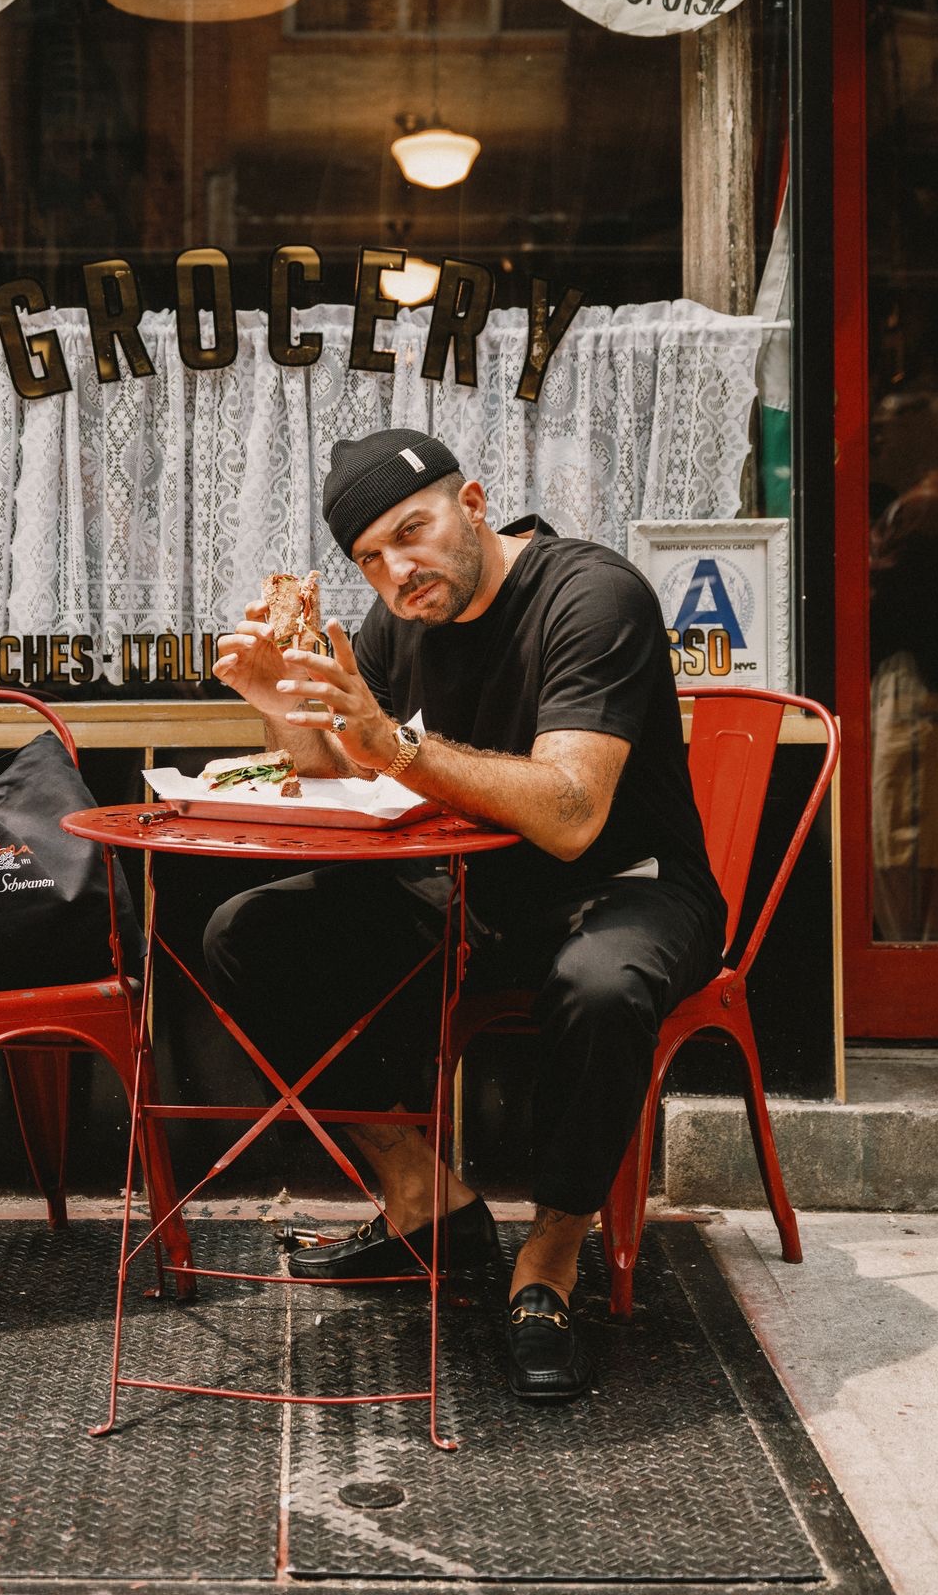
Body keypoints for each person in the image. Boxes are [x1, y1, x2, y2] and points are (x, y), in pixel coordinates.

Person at [205, 428, 726, 1402]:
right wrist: (280, 708)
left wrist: (394, 748)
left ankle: (550, 1258)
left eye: (412, 532)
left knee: (601, 983)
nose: (396, 570)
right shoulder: (398, 620)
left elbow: (571, 816)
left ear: (474, 503)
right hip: (477, 893)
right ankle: (422, 1200)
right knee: (249, 932)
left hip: (630, 886)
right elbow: (334, 765)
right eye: (369, 556)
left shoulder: (590, 594)